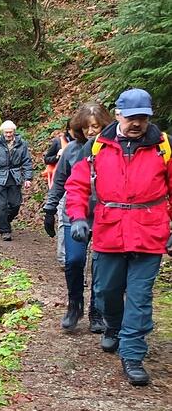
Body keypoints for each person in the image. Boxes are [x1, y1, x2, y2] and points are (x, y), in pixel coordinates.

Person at [66, 89, 172, 386]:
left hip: (150, 232)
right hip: (109, 230)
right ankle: (113, 325)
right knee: (106, 291)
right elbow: (77, 185)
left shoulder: (163, 147)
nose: (137, 123)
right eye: (131, 117)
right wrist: (77, 217)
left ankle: (133, 354)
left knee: (139, 296)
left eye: (143, 118)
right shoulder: (98, 146)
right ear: (118, 115)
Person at [43, 102, 111, 332]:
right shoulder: (72, 150)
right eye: (86, 127)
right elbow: (59, 182)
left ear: (105, 126)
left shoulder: (113, 151)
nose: (91, 131)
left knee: (101, 265)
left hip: (104, 216)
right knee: (73, 261)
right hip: (74, 213)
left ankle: (97, 311)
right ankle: (75, 305)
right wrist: (49, 210)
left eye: (96, 126)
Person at [43, 128, 73, 268]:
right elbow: (47, 159)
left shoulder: (88, 144)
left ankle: (76, 256)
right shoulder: (58, 141)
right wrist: (57, 156)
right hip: (61, 186)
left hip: (81, 188)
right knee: (63, 220)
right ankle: (63, 256)